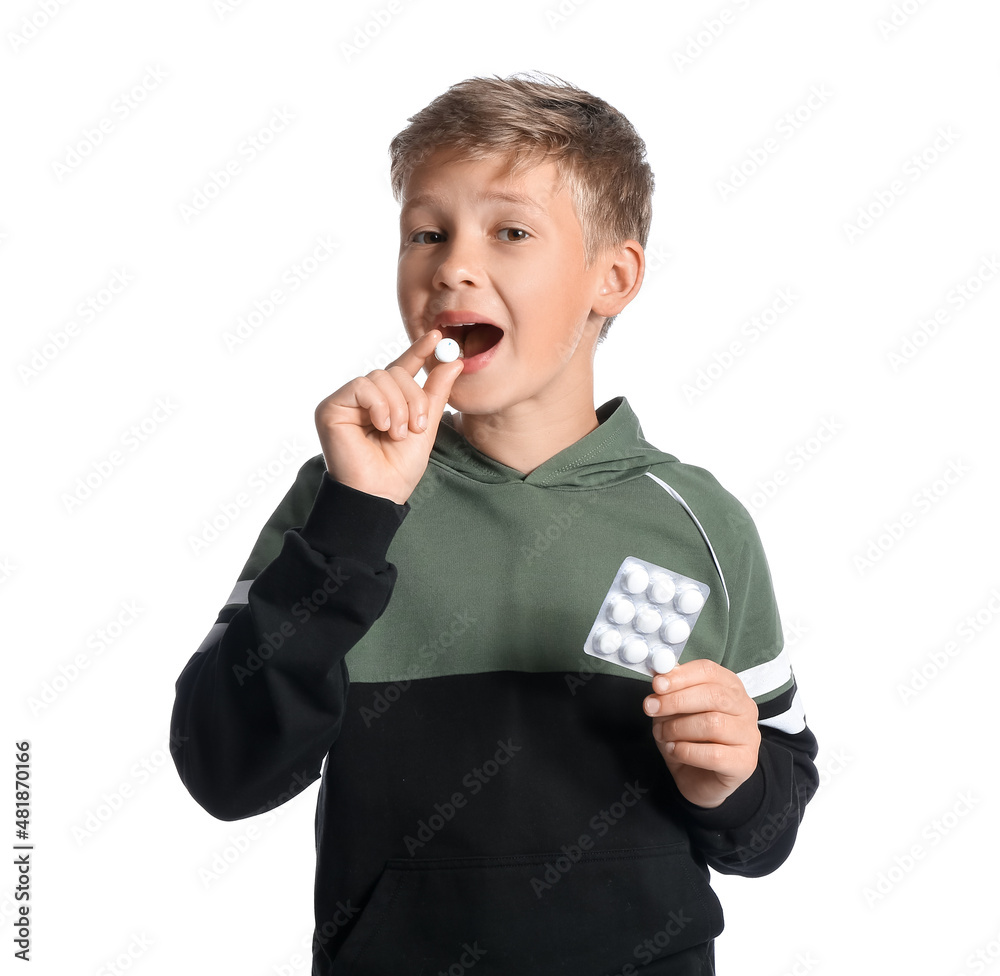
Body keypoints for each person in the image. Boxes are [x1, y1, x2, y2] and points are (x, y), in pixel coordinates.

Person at [170, 72, 819, 975]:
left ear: (614, 277)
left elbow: (772, 817)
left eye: (510, 232)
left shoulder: (701, 522)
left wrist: (736, 783)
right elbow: (226, 771)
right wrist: (359, 518)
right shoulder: (342, 503)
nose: (453, 265)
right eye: (426, 234)